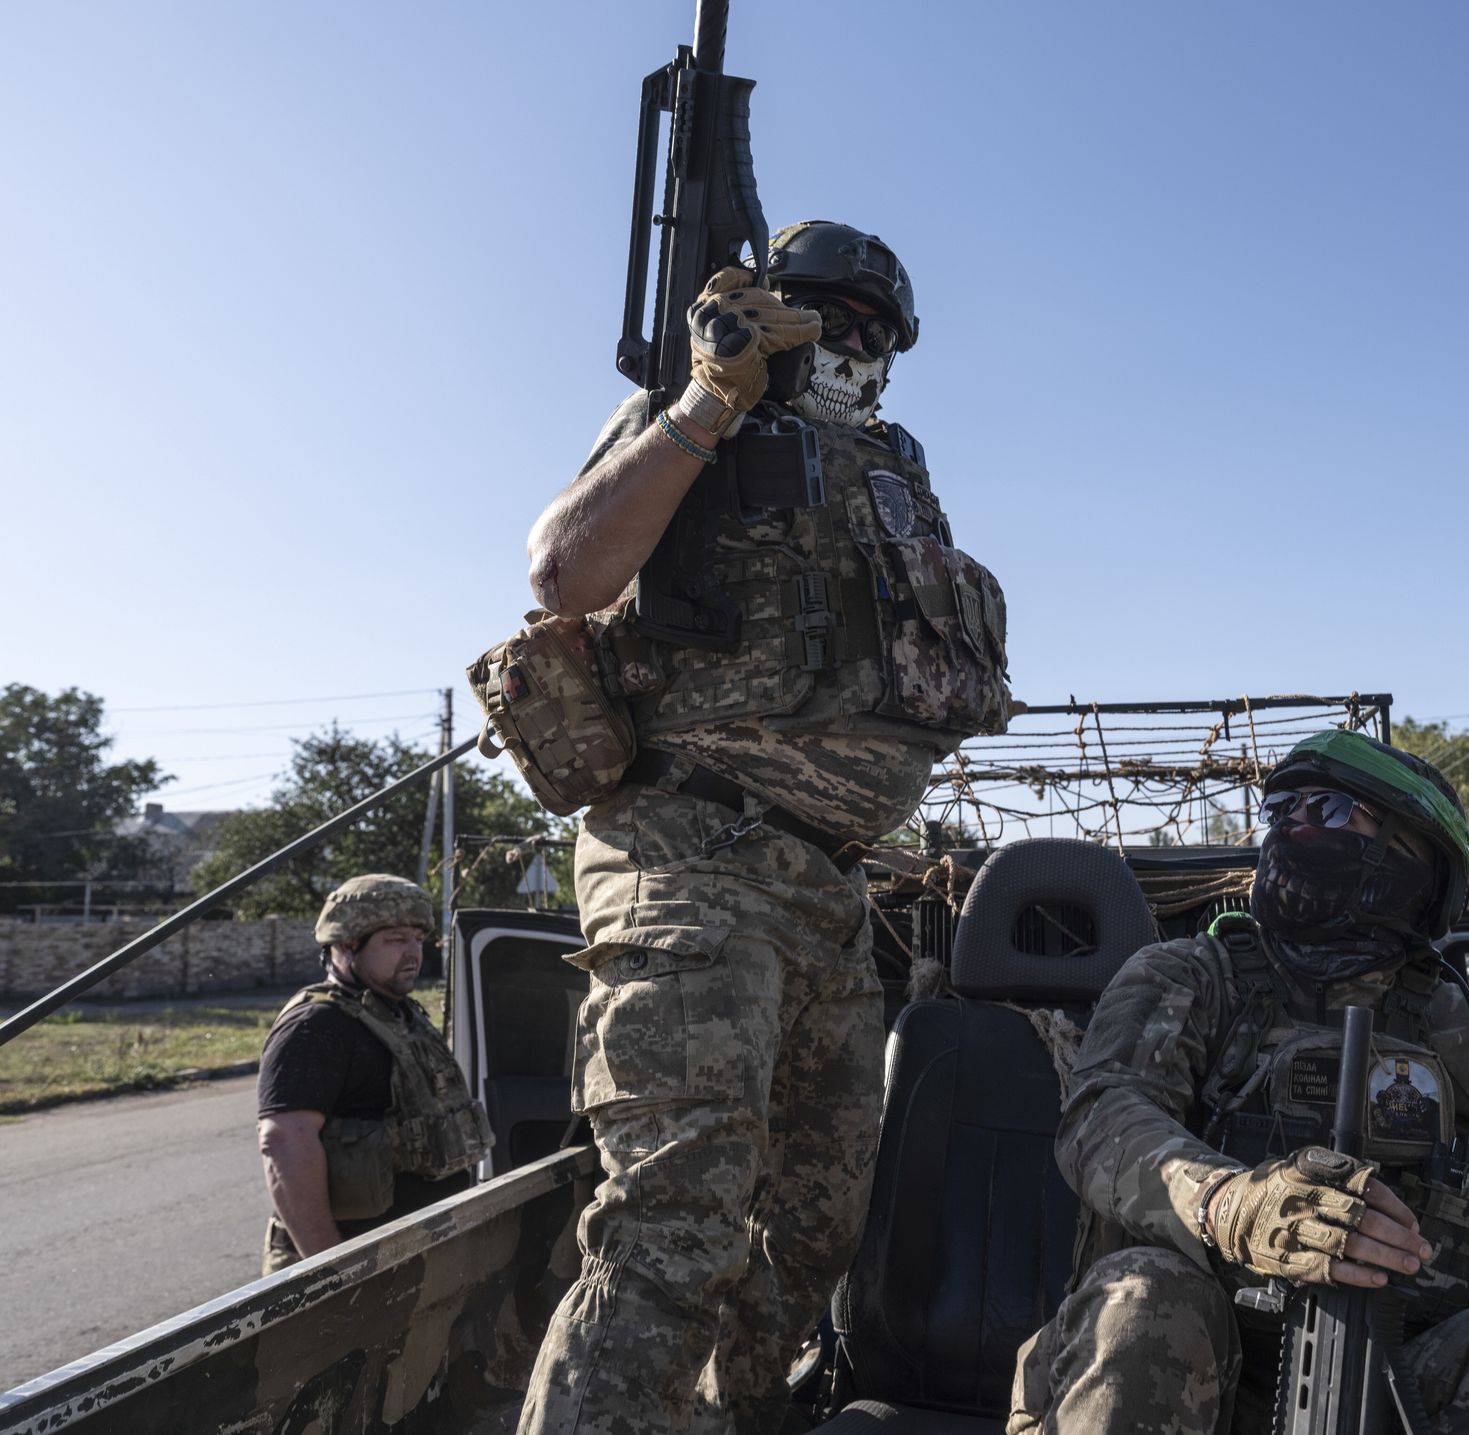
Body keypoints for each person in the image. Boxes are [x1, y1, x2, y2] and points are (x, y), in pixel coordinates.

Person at [516, 221, 1012, 1435]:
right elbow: (563, 574)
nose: (851, 345)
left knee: (814, 1227)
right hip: (693, 861)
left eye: (873, 330)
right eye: (824, 318)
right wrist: (705, 400)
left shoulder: (896, 466)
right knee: (673, 1229)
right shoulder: (693, 419)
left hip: (830, 892)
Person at [1007, 730, 1469, 1435]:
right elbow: (1104, 1116)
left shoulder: (1455, 1025)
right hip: (1183, 1369)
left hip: (1385, 1381)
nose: (1292, 827)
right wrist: (1232, 1203)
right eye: (1281, 809)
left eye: (1328, 810)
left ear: (1412, 863)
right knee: (1145, 1297)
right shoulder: (1188, 976)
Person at [255, 873, 492, 1274]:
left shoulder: (401, 1014)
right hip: (355, 1262)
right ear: (348, 944)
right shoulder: (316, 1025)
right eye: (396, 939)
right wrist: (332, 1270)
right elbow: (284, 1143)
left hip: (410, 1253)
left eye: (418, 938)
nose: (414, 952)